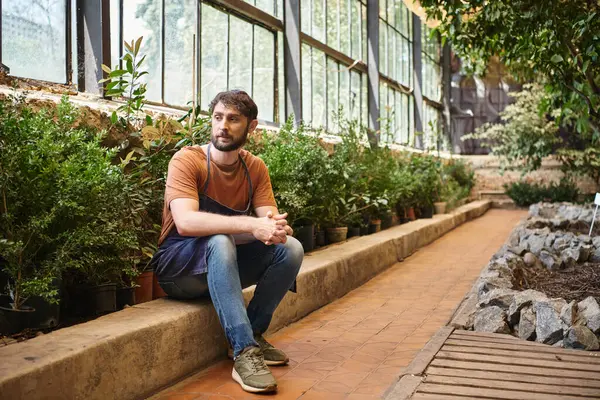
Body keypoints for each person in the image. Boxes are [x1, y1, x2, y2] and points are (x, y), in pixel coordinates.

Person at [151, 90, 304, 393]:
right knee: (219, 240)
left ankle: (253, 332)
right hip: (180, 272)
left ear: (252, 127)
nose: (223, 125)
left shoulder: (255, 168)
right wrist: (252, 225)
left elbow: (270, 223)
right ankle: (244, 351)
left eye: (233, 119)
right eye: (218, 117)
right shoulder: (188, 160)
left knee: (290, 248)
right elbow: (186, 222)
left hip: (223, 266)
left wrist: (272, 228)